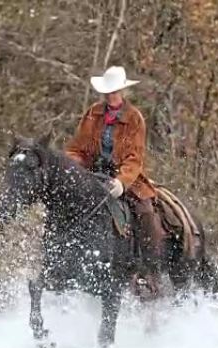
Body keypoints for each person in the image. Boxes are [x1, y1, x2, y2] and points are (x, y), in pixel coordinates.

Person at [65, 66, 164, 293]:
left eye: (115, 91)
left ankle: (148, 269)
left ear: (122, 91)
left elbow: (134, 156)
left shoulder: (134, 118)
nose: (111, 95)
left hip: (125, 178)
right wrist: (72, 165)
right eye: (108, 92)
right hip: (93, 174)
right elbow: (77, 147)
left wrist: (121, 181)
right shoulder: (93, 113)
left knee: (146, 212)